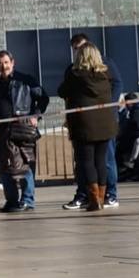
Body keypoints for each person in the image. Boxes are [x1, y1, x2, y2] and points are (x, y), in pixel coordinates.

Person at [0, 50, 47, 212]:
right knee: (5, 166)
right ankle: (11, 200)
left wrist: (35, 116)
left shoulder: (26, 81)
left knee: (25, 163)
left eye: (6, 62)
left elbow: (43, 98)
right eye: (0, 63)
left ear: (12, 62)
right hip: (3, 131)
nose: (3, 66)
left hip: (24, 128)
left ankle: (27, 199)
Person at [58, 43, 117, 213]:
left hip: (83, 124)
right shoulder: (106, 74)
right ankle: (102, 195)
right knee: (101, 161)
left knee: (86, 162)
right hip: (105, 123)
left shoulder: (75, 74)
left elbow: (62, 91)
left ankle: (94, 200)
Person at [116, 92, 139, 175]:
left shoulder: (138, 110)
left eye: (126, 103)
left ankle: (131, 163)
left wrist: (123, 135)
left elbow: (135, 125)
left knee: (122, 146)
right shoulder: (136, 109)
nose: (126, 105)